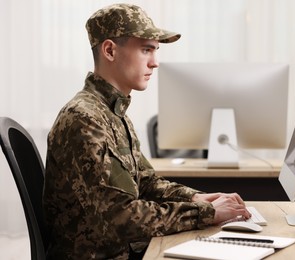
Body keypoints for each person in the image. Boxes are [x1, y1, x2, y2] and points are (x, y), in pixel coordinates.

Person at [43, 3, 250, 259]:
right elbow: (120, 217)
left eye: (156, 51)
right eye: (146, 50)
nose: (155, 63)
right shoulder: (85, 118)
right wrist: (205, 215)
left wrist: (197, 199)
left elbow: (146, 182)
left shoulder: (112, 113)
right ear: (110, 50)